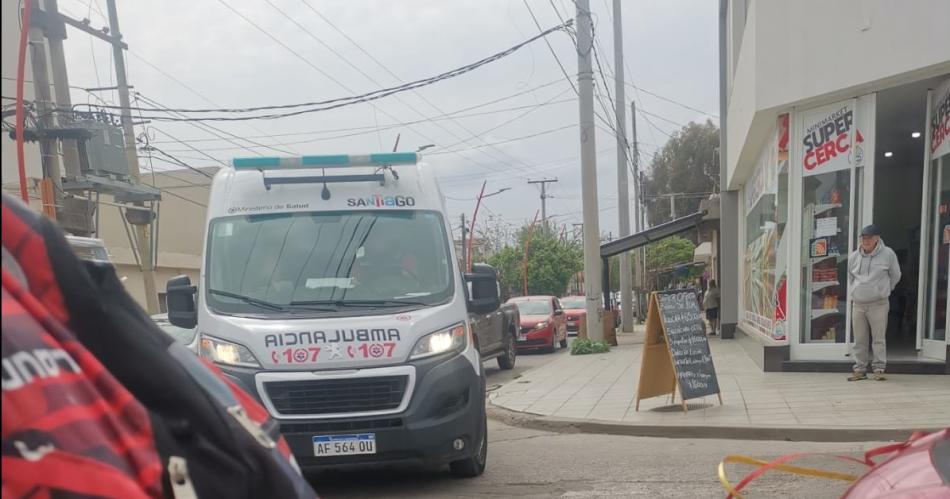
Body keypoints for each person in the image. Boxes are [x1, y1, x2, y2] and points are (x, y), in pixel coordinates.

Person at [848, 224, 901, 382]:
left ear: (877, 238)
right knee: (859, 339)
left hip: (878, 304)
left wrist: (884, 290)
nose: (866, 241)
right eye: (863, 238)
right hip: (858, 304)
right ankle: (860, 369)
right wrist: (855, 291)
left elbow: (896, 275)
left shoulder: (888, 254)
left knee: (878, 338)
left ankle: (878, 369)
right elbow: (851, 278)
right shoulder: (854, 257)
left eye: (869, 238)